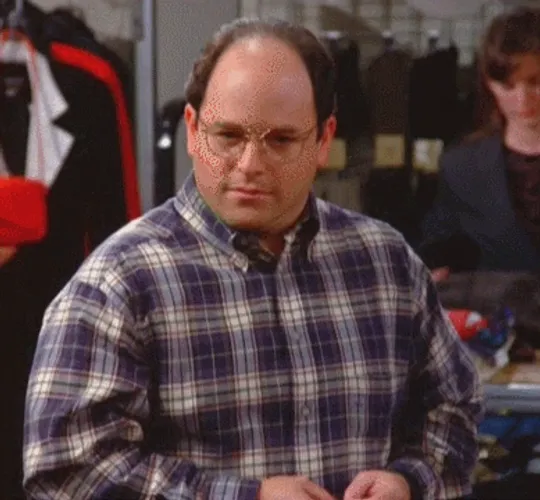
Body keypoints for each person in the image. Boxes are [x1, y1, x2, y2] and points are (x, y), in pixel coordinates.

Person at [23, 18, 482, 500]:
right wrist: (244, 496)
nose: (250, 165)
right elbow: (69, 473)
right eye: (228, 136)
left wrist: (408, 480)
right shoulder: (118, 285)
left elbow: (454, 406)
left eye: (281, 140)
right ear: (193, 130)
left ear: (323, 140)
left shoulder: (386, 265)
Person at [423, 7, 540, 274]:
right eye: (507, 86)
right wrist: (436, 268)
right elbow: (439, 244)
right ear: (489, 84)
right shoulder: (462, 166)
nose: (523, 100)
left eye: (535, 82)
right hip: (502, 300)